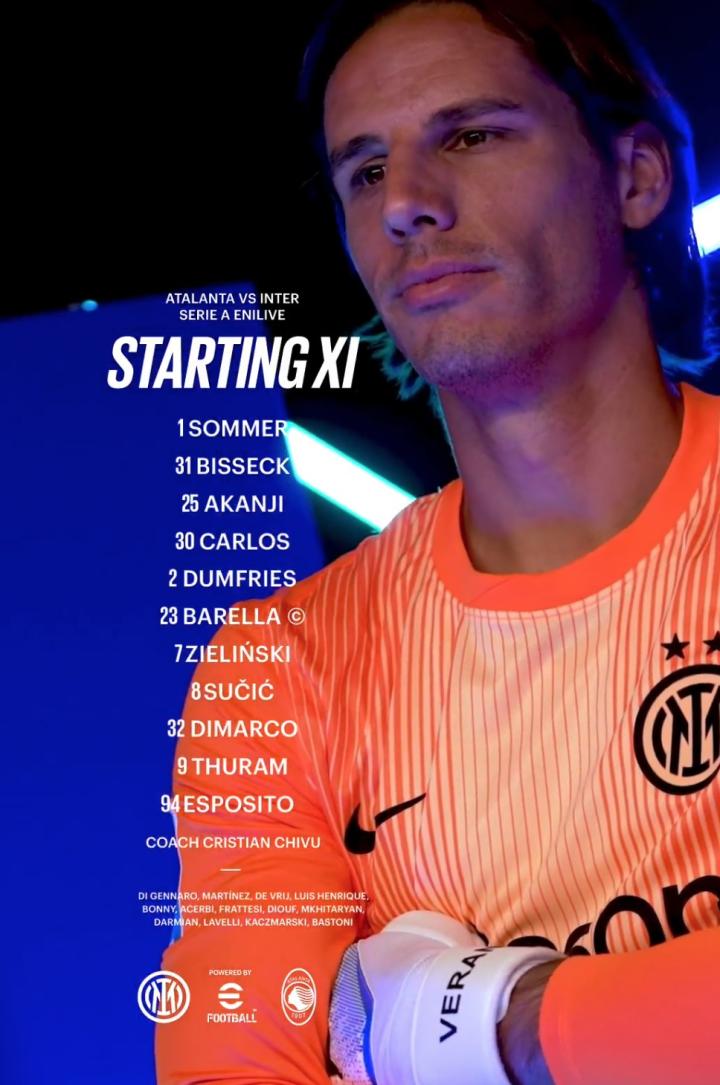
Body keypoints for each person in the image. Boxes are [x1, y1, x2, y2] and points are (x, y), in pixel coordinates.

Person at [156, 2, 720, 1083]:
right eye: (366, 171)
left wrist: (484, 1023)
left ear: (636, 175)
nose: (407, 202)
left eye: (471, 134)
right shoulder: (281, 664)